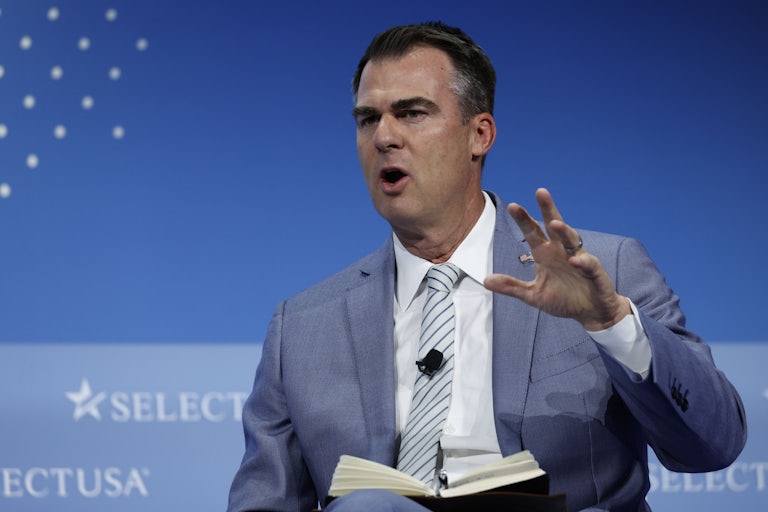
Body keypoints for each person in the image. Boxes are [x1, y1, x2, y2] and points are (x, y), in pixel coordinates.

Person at [227, 22, 746, 512]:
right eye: (368, 119)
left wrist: (612, 324)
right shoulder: (302, 328)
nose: (383, 136)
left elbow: (713, 445)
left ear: (480, 134)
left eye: (411, 113)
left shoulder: (602, 271)